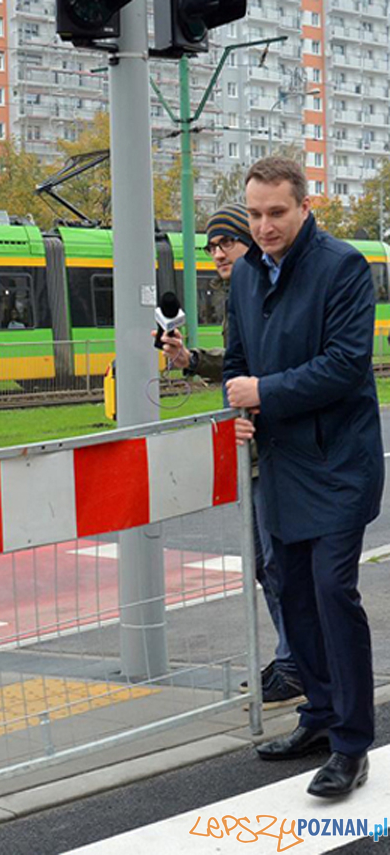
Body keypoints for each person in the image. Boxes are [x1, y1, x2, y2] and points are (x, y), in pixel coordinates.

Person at [224, 156, 383, 798]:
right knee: (289, 590)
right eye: (255, 214)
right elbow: (236, 364)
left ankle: (351, 744)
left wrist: (263, 391)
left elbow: (347, 365)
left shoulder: (342, 266)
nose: (263, 226)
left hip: (339, 461)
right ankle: (317, 715)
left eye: (276, 213)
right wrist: (236, 406)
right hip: (282, 463)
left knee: (330, 592)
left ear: (304, 206)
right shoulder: (242, 277)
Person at [160, 203, 304, 707]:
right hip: (256, 450)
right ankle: (293, 660)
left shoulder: (265, 289)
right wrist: (190, 360)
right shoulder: (242, 291)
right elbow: (240, 364)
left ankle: (297, 664)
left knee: (281, 565)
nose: (218, 253)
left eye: (227, 243)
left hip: (278, 452)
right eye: (212, 246)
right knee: (269, 564)